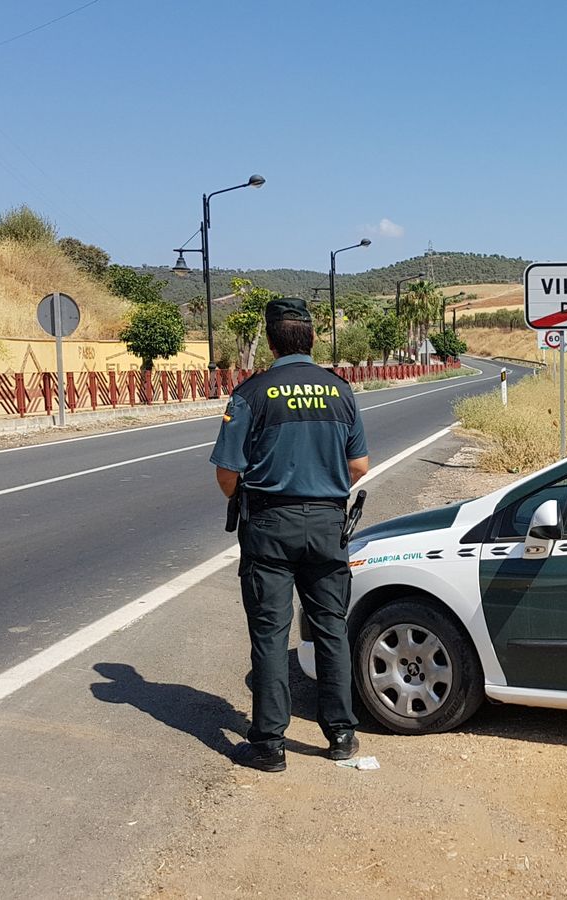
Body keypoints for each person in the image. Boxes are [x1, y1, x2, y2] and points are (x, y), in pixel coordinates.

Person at [209, 297, 370, 772]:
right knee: (331, 630)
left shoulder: (252, 392)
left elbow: (226, 475)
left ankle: (270, 746)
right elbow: (359, 464)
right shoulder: (340, 392)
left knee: (271, 634)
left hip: (269, 528)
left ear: (272, 340)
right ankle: (341, 735)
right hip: (327, 526)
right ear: (312, 337)